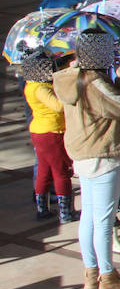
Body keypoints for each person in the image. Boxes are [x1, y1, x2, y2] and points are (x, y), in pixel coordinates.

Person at [52, 31, 120, 289]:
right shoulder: (95, 83)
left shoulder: (70, 78)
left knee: (89, 217)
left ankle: (92, 276)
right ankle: (108, 277)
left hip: (82, 155)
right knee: (103, 220)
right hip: (103, 155)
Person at [22, 52, 75, 223]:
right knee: (61, 173)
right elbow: (58, 106)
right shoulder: (41, 88)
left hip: (40, 132)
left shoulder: (30, 85)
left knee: (44, 173)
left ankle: (42, 209)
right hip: (52, 133)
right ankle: (66, 213)